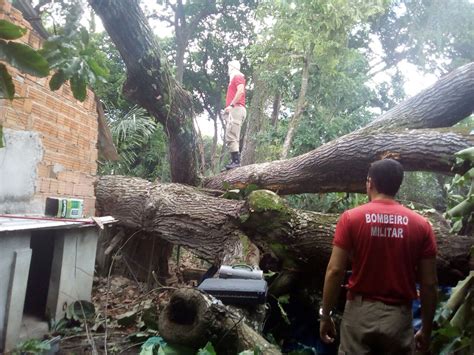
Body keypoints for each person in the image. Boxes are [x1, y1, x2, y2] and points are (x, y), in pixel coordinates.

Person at [319, 159, 438, 354]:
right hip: (399, 318)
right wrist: (426, 329)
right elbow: (430, 284)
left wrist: (325, 315)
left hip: (359, 313)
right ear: (397, 185)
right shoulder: (422, 225)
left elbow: (335, 271)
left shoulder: (351, 218)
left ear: (370, 182)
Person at [223, 59, 246, 170]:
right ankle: (233, 160)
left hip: (236, 109)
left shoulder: (237, 76)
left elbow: (240, 91)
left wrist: (231, 105)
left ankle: (236, 162)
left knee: (232, 135)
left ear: (232, 67)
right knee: (231, 134)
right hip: (235, 109)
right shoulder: (234, 78)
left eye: (229, 67)